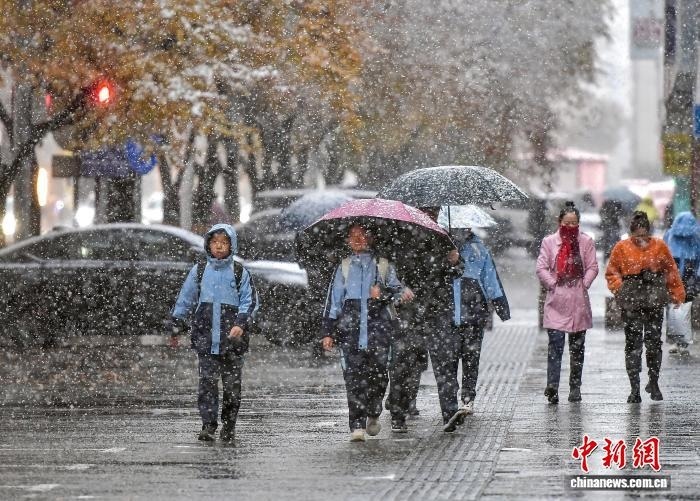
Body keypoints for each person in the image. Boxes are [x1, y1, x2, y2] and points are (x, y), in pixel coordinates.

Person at [321, 224, 413, 442]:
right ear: (347, 240)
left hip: (379, 332)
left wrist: (382, 294)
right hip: (350, 333)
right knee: (353, 378)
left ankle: (373, 411)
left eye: (362, 235)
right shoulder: (343, 267)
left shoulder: (383, 265)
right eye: (353, 235)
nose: (357, 239)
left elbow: (399, 293)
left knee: (378, 376)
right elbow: (333, 302)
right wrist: (328, 332)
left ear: (371, 238)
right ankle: (357, 425)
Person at [169, 224, 257, 443]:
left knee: (232, 386)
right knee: (207, 382)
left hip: (233, 341)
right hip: (206, 338)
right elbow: (186, 298)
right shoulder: (199, 270)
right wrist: (177, 322)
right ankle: (208, 424)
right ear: (208, 245)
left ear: (231, 245)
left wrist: (240, 323)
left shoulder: (239, 272)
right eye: (215, 242)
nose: (219, 246)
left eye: (224, 242)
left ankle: (229, 425)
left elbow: (250, 301)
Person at [387, 206, 465, 433]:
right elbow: (392, 273)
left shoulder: (443, 236)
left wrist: (455, 261)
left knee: (445, 363)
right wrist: (401, 288)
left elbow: (457, 271)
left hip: (438, 309)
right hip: (411, 311)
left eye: (435, 211)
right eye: (429, 210)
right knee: (405, 364)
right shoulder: (402, 237)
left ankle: (449, 413)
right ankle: (398, 413)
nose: (432, 214)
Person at [606, 211, 684, 403]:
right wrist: (620, 288)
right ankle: (635, 388)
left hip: (654, 300)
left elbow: (671, 270)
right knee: (633, 345)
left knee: (654, 343)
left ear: (649, 231)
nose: (641, 238)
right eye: (637, 235)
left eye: (644, 234)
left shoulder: (659, 246)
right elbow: (612, 272)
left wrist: (677, 293)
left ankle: (653, 381)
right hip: (631, 301)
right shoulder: (621, 247)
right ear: (631, 232)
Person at [536, 202, 599, 404]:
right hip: (556, 300)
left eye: (574, 223)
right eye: (567, 222)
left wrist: (584, 284)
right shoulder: (549, 242)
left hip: (578, 301)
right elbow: (541, 267)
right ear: (559, 222)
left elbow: (593, 266)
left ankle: (575, 387)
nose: (570, 226)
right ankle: (552, 386)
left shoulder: (586, 241)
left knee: (577, 348)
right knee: (555, 346)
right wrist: (553, 284)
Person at [451, 227, 510, 415]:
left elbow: (490, 280)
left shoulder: (479, 249)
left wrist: (501, 307)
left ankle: (467, 398)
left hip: (474, 313)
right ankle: (450, 399)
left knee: (471, 357)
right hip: (449, 314)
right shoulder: (442, 248)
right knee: (449, 360)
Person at [663, 211, 700, 355]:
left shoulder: (673, 235)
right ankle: (679, 342)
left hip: (684, 278)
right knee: (681, 310)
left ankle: (679, 342)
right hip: (682, 278)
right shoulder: (692, 236)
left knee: (678, 309)